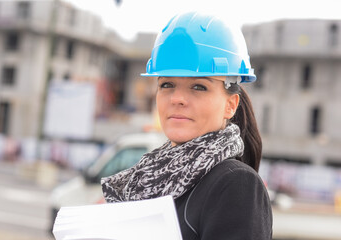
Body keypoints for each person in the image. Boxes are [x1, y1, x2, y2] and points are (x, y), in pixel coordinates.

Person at [101, 12, 273, 239]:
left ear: (230, 105)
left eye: (198, 87)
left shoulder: (236, 184)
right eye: (167, 84)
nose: (177, 99)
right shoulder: (144, 178)